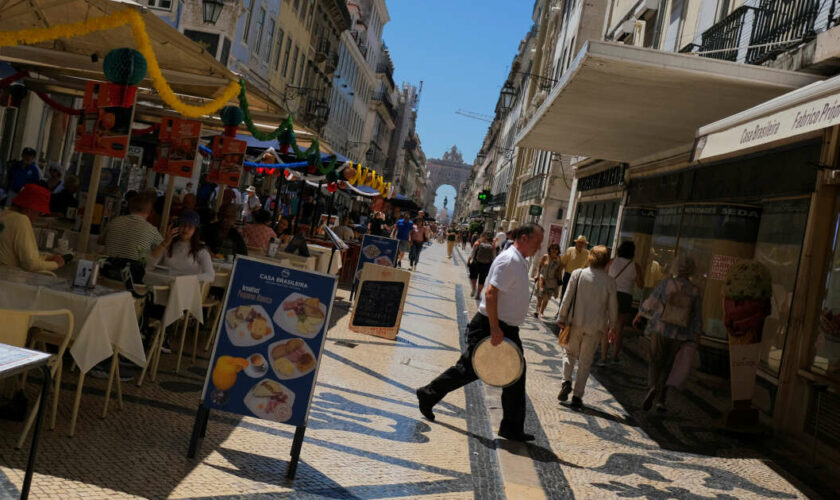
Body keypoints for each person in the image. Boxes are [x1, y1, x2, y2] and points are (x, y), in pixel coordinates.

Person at [416, 224, 545, 442]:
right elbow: (491, 293)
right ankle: (428, 393)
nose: (539, 247)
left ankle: (511, 427)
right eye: (536, 242)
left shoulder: (518, 259)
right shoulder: (510, 260)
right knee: (469, 369)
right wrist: (495, 329)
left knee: (515, 373)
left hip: (505, 327)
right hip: (491, 326)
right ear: (523, 238)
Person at [633, 254, 702, 412]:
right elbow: (697, 316)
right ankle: (661, 400)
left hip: (661, 328)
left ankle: (652, 387)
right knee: (669, 365)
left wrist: (640, 313)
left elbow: (652, 301)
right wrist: (697, 335)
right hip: (681, 333)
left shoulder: (667, 283)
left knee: (655, 360)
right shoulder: (695, 290)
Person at [556, 245, 617, 410]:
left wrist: (561, 317)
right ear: (607, 261)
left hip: (575, 322)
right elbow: (613, 308)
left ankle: (566, 381)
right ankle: (577, 396)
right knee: (585, 362)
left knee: (569, 353)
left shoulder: (578, 274)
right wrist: (612, 328)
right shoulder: (609, 281)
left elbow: (567, 298)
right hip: (595, 327)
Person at [0, 184, 65, 272]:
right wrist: (56, 264)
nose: (37, 217)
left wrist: (45, 258)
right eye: (39, 213)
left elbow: (23, 255)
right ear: (30, 209)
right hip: (8, 278)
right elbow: (30, 264)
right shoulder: (21, 220)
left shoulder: (4, 214)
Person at [598, 241, 644, 366]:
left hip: (611, 294)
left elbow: (603, 276)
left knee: (607, 327)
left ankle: (603, 357)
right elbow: (641, 285)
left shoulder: (612, 262)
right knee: (619, 328)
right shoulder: (636, 266)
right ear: (632, 252)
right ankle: (614, 356)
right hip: (626, 297)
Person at [146, 210, 215, 282]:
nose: (185, 229)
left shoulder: (201, 251)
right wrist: (164, 244)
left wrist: (183, 280)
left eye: (190, 226)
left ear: (195, 230)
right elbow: (149, 265)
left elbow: (210, 276)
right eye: (183, 225)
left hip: (184, 288)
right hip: (162, 285)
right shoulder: (168, 244)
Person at [102, 190, 163, 263]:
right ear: (150, 211)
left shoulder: (114, 221)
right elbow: (162, 252)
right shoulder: (151, 230)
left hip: (107, 268)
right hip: (132, 272)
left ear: (130, 207)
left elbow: (101, 241)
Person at [534, 244, 563, 318]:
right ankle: (537, 310)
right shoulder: (545, 256)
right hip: (542, 279)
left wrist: (560, 280)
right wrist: (537, 275)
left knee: (546, 298)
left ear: (558, 250)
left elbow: (559, 271)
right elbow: (539, 266)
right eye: (552, 248)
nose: (554, 250)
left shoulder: (559, 259)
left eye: (556, 249)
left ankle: (542, 312)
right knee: (540, 295)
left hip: (552, 281)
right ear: (549, 249)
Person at [467, 231, 496, 298]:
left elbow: (472, 253)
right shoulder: (492, 245)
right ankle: (478, 294)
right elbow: (494, 257)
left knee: (474, 278)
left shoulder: (478, 242)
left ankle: (473, 289)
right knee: (482, 280)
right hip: (486, 265)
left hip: (476, 262)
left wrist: (468, 260)